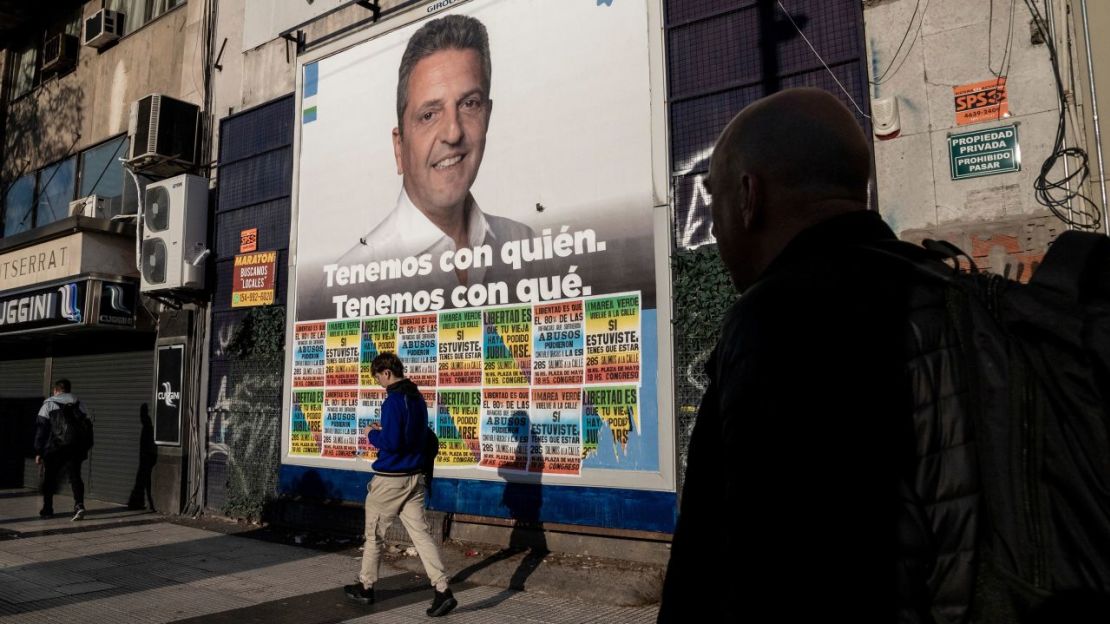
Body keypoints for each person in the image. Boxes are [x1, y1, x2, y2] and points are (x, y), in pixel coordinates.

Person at [658, 88, 977, 622]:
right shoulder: (955, 295)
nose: (711, 228)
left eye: (714, 201)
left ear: (748, 196)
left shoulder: (771, 326)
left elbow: (751, 573)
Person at [333, 14, 532, 293]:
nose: (453, 133)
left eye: (469, 104)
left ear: (487, 116)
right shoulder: (353, 278)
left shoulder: (525, 245)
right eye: (428, 115)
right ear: (399, 148)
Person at [344, 352, 457, 617]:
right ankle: (442, 589)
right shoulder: (417, 398)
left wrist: (372, 434)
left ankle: (366, 586)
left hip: (390, 480)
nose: (378, 384)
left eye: (377, 378)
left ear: (386, 372)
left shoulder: (393, 401)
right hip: (415, 477)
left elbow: (393, 444)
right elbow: (419, 436)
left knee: (374, 535)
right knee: (421, 534)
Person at [33, 379, 94, 521]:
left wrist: (38, 451)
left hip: (56, 448)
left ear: (55, 390)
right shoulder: (79, 403)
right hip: (75, 448)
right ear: (68, 390)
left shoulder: (48, 404)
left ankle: (47, 509)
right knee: (75, 476)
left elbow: (41, 430)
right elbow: (88, 426)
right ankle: (79, 505)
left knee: (50, 479)